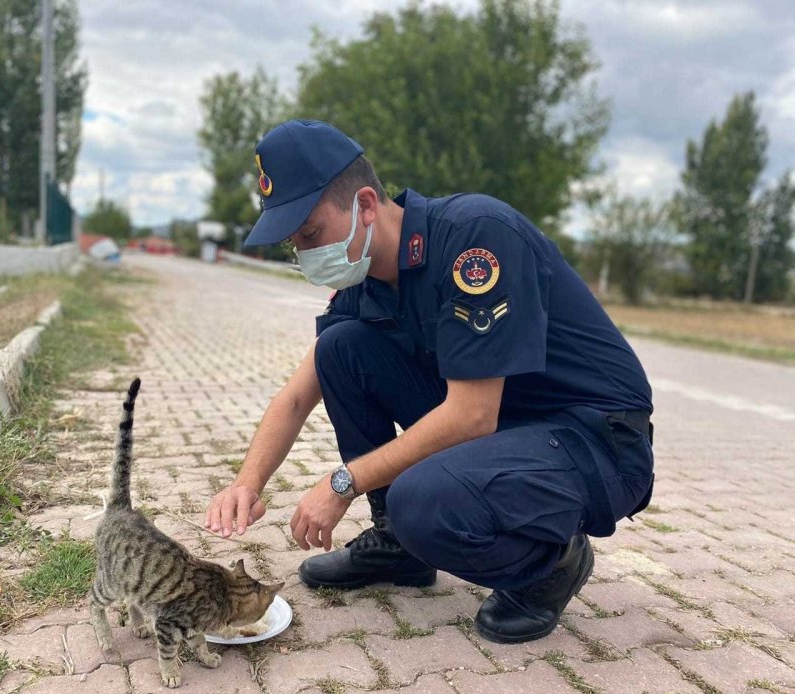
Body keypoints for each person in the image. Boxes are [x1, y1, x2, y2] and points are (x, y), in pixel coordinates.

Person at [204, 119, 654, 643]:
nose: (305, 255)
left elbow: (471, 415)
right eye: (293, 244)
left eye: (310, 233)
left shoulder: (475, 238)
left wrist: (343, 481)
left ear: (365, 206)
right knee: (342, 349)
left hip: (593, 438)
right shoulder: (366, 273)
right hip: (511, 425)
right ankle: (401, 549)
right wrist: (246, 483)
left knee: (422, 500)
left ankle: (551, 564)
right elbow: (299, 393)